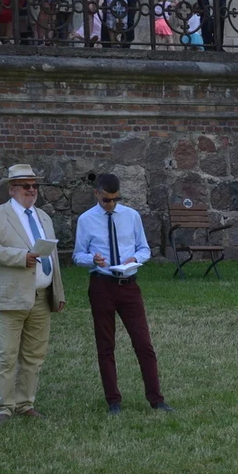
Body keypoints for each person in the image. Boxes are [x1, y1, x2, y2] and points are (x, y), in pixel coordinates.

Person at [72, 173, 173, 415]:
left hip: (129, 285)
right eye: (107, 200)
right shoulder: (86, 220)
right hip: (101, 286)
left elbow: (144, 248)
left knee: (143, 343)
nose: (112, 204)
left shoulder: (131, 216)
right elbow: (77, 255)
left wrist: (135, 258)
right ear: (96, 194)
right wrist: (92, 259)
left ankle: (156, 399)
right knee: (106, 345)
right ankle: (113, 401)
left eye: (116, 199)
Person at [0, 164, 66, 425]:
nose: (31, 190)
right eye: (26, 185)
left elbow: (53, 258)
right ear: (12, 189)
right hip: (10, 296)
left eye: (35, 186)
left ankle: (26, 403)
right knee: (5, 354)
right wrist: (20, 257)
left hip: (40, 297)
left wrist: (57, 291)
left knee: (34, 356)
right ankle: (3, 407)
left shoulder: (44, 217)